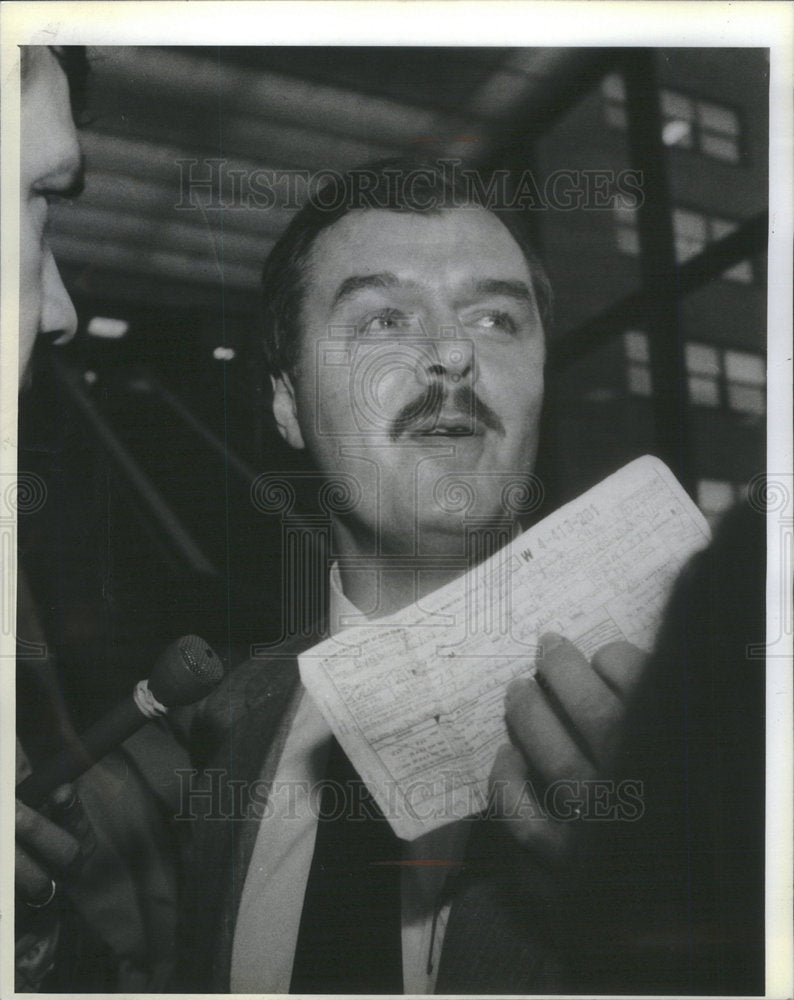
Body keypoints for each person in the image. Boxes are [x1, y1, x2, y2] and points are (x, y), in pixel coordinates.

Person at [170, 160, 654, 994]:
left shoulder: (690, 723)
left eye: (497, 318)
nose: (454, 353)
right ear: (286, 403)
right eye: (384, 319)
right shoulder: (225, 730)